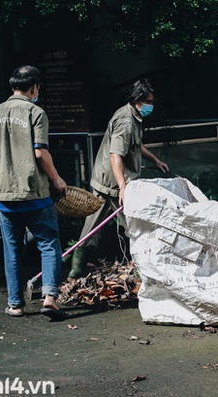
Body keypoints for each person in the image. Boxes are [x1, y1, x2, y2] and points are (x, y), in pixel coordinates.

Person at [0, 65, 68, 320]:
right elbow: (40, 152)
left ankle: (15, 304)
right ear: (34, 87)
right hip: (35, 195)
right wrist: (57, 179)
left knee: (12, 249)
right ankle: (49, 297)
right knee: (49, 244)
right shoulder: (36, 112)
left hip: (5, 197)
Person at [67, 78, 169, 280]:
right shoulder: (125, 121)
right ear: (138, 99)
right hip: (112, 185)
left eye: (152, 101)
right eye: (148, 101)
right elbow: (115, 155)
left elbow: (136, 145)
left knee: (94, 229)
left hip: (113, 183)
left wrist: (155, 160)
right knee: (135, 228)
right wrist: (123, 187)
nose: (151, 105)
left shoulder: (134, 116)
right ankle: (144, 274)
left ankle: (75, 272)